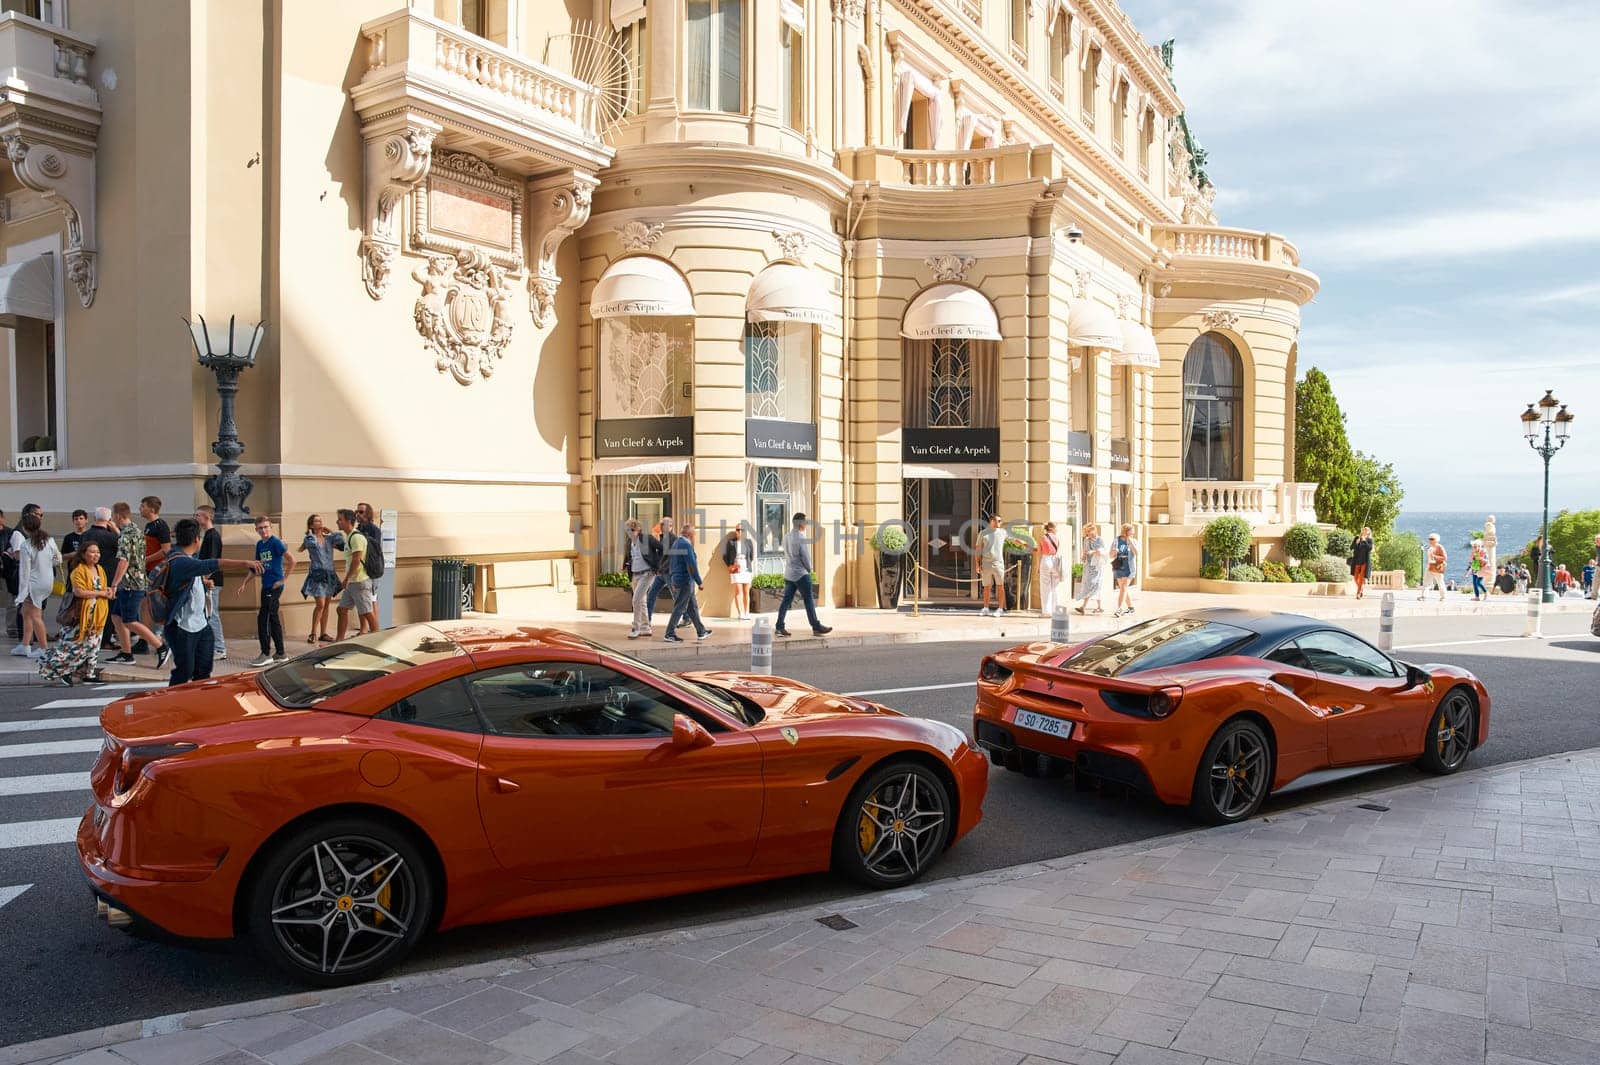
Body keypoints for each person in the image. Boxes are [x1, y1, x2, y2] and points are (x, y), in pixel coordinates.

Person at [158, 519, 262, 686]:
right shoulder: (181, 560)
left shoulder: (185, 557)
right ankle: (175, 704)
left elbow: (186, 580)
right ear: (196, 540)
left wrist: (203, 583)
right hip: (182, 627)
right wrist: (245, 563)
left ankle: (199, 702)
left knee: (204, 668)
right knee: (184, 670)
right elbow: (213, 564)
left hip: (201, 625)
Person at [39, 541, 112, 686]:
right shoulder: (78, 570)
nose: (96, 555)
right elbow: (79, 591)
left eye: (97, 552)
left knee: (94, 644)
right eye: (92, 552)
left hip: (99, 613)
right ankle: (62, 670)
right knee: (76, 645)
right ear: (83, 554)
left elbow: (103, 588)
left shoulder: (100, 569)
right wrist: (102, 593)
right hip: (83, 614)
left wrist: (108, 591)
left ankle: (89, 674)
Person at [106, 502, 168, 667]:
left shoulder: (127, 535)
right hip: (135, 581)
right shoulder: (135, 529)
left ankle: (160, 647)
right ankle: (126, 653)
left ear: (118, 516)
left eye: (113, 515)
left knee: (130, 620)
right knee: (116, 616)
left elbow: (124, 561)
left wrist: (113, 584)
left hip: (131, 584)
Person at [240, 516, 295, 666]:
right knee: (273, 618)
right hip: (266, 585)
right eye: (260, 528)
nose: (264, 530)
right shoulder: (259, 545)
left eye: (266, 527)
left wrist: (283, 580)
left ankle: (265, 653)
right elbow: (256, 567)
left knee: (263, 618)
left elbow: (292, 560)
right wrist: (244, 583)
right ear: (256, 529)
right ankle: (281, 653)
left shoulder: (275, 542)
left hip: (274, 586)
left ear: (271, 528)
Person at [775, 513, 831, 638]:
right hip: (800, 574)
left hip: (789, 573)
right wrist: (809, 569)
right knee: (809, 600)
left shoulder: (786, 537)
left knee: (786, 601)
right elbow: (805, 557)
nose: (806, 524)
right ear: (800, 524)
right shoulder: (800, 537)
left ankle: (779, 627)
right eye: (805, 522)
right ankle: (816, 626)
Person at [12, 512, 59, 659]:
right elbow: (58, 559)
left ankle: (44, 649)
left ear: (25, 528)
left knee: (35, 615)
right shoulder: (49, 540)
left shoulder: (26, 545)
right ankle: (25, 645)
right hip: (47, 581)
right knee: (25, 612)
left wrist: (21, 593)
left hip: (34, 584)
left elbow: (24, 572)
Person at [663, 521, 712, 643]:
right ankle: (669, 633)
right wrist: (699, 581)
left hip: (678, 579)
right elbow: (691, 565)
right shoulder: (686, 544)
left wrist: (673, 579)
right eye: (694, 535)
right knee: (679, 607)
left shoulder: (676, 543)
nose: (694, 537)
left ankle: (701, 631)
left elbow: (673, 563)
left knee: (692, 607)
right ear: (690, 535)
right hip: (685, 580)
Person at [299, 514, 343, 643]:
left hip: (329, 575)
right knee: (320, 604)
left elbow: (341, 541)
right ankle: (313, 632)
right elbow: (315, 547)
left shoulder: (329, 539)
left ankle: (323, 633)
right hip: (317, 575)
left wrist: (330, 532)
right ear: (312, 525)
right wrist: (323, 536)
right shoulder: (309, 539)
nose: (320, 522)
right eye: (316, 521)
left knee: (327, 605)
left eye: (320, 520)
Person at [334, 509, 376, 640]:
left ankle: (377, 638)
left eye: (340, 519)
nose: (337, 522)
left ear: (348, 521)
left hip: (359, 581)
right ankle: (339, 641)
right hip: (353, 582)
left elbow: (356, 560)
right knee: (341, 610)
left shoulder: (356, 537)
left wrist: (346, 578)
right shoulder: (349, 537)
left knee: (367, 612)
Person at [194, 505, 228, 660]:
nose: (196, 518)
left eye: (198, 515)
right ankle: (209, 646)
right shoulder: (208, 535)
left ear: (207, 517)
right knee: (206, 613)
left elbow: (213, 560)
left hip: (212, 581)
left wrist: (205, 577)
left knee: (212, 614)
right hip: (208, 579)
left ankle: (220, 648)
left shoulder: (212, 536)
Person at [624, 519, 663, 639]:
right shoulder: (629, 542)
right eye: (627, 530)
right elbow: (632, 556)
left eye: (631, 530)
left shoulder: (647, 539)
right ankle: (646, 627)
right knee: (641, 601)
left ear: (638, 530)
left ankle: (636, 628)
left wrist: (657, 565)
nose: (629, 532)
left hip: (647, 574)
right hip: (635, 574)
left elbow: (662, 548)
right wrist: (626, 564)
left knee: (636, 600)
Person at [976, 514, 1007, 618]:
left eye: (1000, 521)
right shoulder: (983, 533)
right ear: (991, 521)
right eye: (998, 521)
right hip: (986, 563)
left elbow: (1014, 540)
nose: (1000, 523)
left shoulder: (1003, 532)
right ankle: (985, 608)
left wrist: (1026, 545)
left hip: (998, 563)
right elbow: (978, 549)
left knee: (1000, 586)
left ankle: (1000, 608)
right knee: (986, 587)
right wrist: (977, 564)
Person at [723, 524, 754, 620]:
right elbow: (725, 556)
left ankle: (747, 612)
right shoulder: (731, 543)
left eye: (742, 530)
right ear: (736, 531)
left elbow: (751, 556)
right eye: (738, 530)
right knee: (738, 591)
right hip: (736, 568)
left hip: (746, 568)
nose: (740, 531)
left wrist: (746, 564)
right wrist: (731, 566)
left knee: (746, 591)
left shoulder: (749, 542)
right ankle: (740, 613)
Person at [647, 516, 675, 621]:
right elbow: (659, 555)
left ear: (671, 527)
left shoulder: (673, 539)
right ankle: (647, 618)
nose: (662, 527)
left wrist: (662, 568)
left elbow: (669, 556)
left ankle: (686, 617)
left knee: (676, 596)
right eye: (662, 524)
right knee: (651, 594)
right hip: (661, 573)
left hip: (668, 572)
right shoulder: (662, 538)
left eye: (665, 524)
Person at [1074, 523, 1106, 615]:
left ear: (1094, 530)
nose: (1088, 534)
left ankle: (1087, 607)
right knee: (1089, 584)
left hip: (1097, 566)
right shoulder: (1086, 540)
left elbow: (1103, 552)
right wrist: (1083, 557)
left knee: (1095, 584)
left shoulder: (1100, 540)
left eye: (1089, 531)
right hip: (1088, 565)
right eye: (1087, 532)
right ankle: (1092, 607)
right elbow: (1084, 551)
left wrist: (1094, 552)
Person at [1037, 521, 1064, 616]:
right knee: (1055, 587)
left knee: (1045, 587)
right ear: (1052, 528)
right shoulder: (1057, 538)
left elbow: (1039, 553)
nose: (1057, 530)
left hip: (1045, 560)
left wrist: (1037, 567)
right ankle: (1056, 610)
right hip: (1055, 561)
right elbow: (1058, 552)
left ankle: (1046, 611)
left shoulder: (1042, 538)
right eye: (1056, 528)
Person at [1420, 533, 1447, 602]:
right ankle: (1423, 596)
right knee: (1426, 582)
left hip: (1437, 567)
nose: (1430, 540)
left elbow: (1444, 557)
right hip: (1430, 566)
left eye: (1432, 539)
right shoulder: (1430, 548)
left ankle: (1443, 597)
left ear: (1436, 540)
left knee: (1440, 582)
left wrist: (1435, 556)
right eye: (1429, 539)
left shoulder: (1440, 547)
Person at [1350, 527, 1374, 600]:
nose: (1364, 531)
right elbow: (1351, 547)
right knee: (1355, 578)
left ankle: (1358, 593)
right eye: (1363, 530)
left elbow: (1370, 548)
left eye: (1366, 530)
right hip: (1357, 560)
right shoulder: (1357, 538)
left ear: (1368, 532)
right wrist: (1356, 543)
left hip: (1365, 561)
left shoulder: (1369, 540)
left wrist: (1364, 541)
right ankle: (1361, 588)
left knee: (1361, 578)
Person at [1467, 537, 1490, 602]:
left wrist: (1480, 558)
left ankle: (1486, 592)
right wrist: (1468, 571)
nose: (1474, 548)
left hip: (1481, 569)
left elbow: (1486, 561)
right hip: (1475, 569)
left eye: (1475, 546)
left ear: (1479, 546)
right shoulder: (1473, 553)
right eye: (1473, 546)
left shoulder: (1483, 552)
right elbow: (1471, 562)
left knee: (1478, 582)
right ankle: (1477, 597)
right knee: (1474, 583)